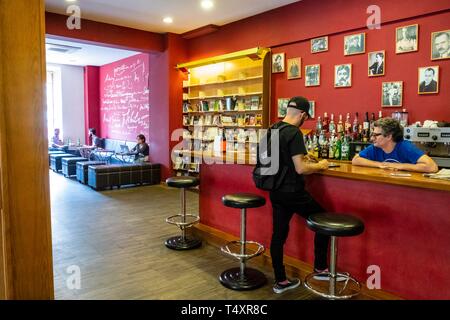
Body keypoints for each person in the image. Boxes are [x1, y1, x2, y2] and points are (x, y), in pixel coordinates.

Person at [267, 96, 336, 294]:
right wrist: (320, 165)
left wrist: (305, 158)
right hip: (293, 192)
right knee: (324, 221)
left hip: (276, 191)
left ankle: (280, 281)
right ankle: (320, 268)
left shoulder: (273, 128)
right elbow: (300, 169)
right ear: (303, 115)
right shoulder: (294, 133)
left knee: (278, 235)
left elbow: (280, 158)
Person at [352, 118, 438, 173]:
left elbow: (432, 167)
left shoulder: (405, 146)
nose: (372, 138)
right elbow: (355, 160)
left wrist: (398, 166)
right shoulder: (376, 147)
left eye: (376, 135)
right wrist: (379, 164)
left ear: (389, 136)